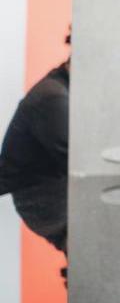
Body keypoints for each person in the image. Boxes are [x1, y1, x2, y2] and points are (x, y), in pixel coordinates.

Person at [0, 32, 70, 195]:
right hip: (29, 197)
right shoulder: (53, 96)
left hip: (40, 193)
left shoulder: (59, 89)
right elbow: (77, 163)